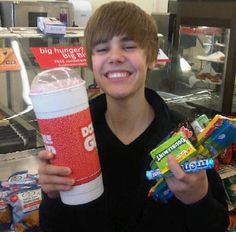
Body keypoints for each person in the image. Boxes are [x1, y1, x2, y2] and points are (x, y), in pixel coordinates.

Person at [38, 1, 229, 232]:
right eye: (101, 49)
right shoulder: (72, 141)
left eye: (128, 46)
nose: (115, 56)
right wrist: (53, 197)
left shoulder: (183, 135)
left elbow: (217, 225)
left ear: (151, 57)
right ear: (91, 61)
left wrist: (199, 199)